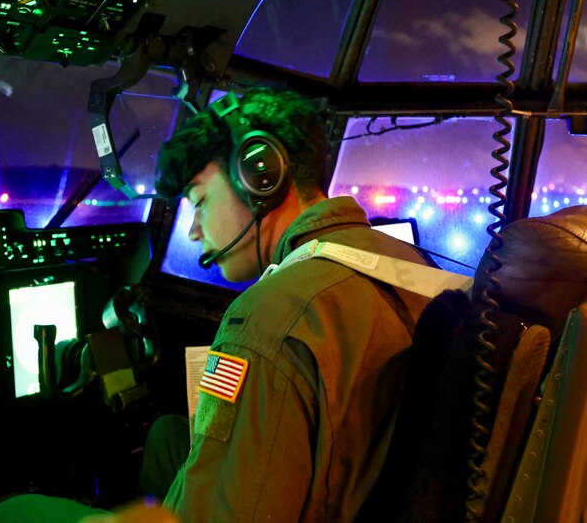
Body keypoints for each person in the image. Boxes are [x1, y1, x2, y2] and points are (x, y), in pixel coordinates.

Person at [152, 86, 442, 521]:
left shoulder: (269, 316)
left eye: (199, 201)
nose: (194, 231)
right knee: (168, 436)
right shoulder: (411, 263)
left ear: (259, 175)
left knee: (19, 510)